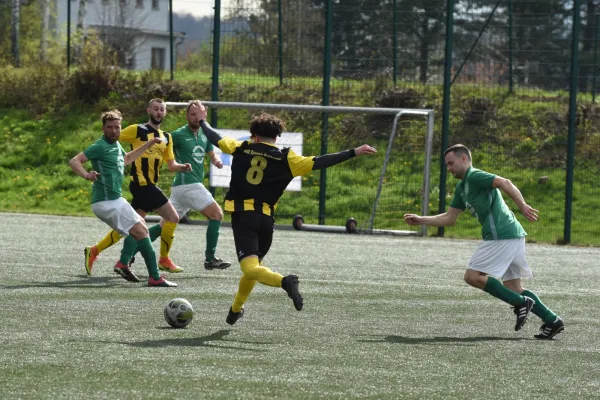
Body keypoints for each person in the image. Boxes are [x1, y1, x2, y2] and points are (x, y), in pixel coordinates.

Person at [197, 106, 377, 325]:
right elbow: (321, 161)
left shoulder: (242, 147)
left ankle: (285, 281)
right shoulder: (288, 158)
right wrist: (353, 152)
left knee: (250, 268)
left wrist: (203, 121)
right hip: (266, 222)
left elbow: (215, 138)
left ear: (254, 135)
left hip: (244, 217)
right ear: (277, 136)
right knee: (255, 268)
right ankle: (236, 308)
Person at [404, 144, 564, 339]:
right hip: (511, 236)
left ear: (464, 159)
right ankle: (552, 319)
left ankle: (521, 303)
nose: (449, 168)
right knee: (513, 288)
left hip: (502, 235)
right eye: (446, 165)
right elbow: (450, 218)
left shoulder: (474, 176)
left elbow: (505, 182)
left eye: (451, 163)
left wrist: (522, 205)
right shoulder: (462, 187)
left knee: (472, 276)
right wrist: (421, 219)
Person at [84, 98, 192, 282]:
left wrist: (182, 167)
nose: (158, 112)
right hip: (142, 185)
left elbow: (171, 164)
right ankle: (163, 259)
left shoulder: (167, 137)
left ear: (165, 113)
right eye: (155, 109)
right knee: (172, 218)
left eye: (162, 110)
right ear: (148, 110)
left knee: (132, 225)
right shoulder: (137, 129)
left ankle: (102, 253)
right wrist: (99, 157)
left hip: (150, 185)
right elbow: (114, 139)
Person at [69, 109, 177, 287]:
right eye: (110, 127)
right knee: (141, 232)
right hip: (106, 202)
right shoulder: (100, 146)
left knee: (141, 228)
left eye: (117, 127)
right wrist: (86, 175)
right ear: (103, 128)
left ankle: (124, 264)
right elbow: (74, 161)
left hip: (115, 200)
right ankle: (154, 277)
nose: (114, 131)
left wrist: (148, 145)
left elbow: (127, 159)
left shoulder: (116, 145)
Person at [167, 100, 231, 270]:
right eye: (193, 114)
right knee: (217, 214)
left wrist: (217, 161)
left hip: (182, 188)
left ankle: (128, 254)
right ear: (187, 116)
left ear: (205, 115)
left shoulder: (205, 134)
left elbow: (211, 153)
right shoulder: (178, 134)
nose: (196, 117)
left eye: (200, 114)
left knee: (165, 225)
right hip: (188, 184)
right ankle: (210, 258)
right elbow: (166, 152)